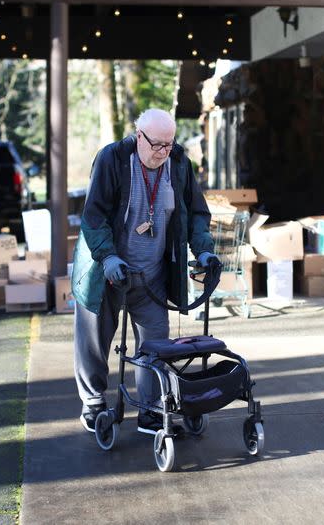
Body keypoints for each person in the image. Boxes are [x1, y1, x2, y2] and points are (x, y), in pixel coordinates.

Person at [70, 108, 218, 435]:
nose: (163, 153)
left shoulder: (178, 164)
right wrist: (108, 257)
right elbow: (94, 218)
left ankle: (151, 410)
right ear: (139, 136)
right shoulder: (112, 160)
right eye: (156, 145)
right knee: (93, 341)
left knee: (155, 344)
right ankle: (93, 402)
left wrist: (204, 250)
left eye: (169, 145)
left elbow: (196, 214)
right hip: (106, 271)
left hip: (151, 276)